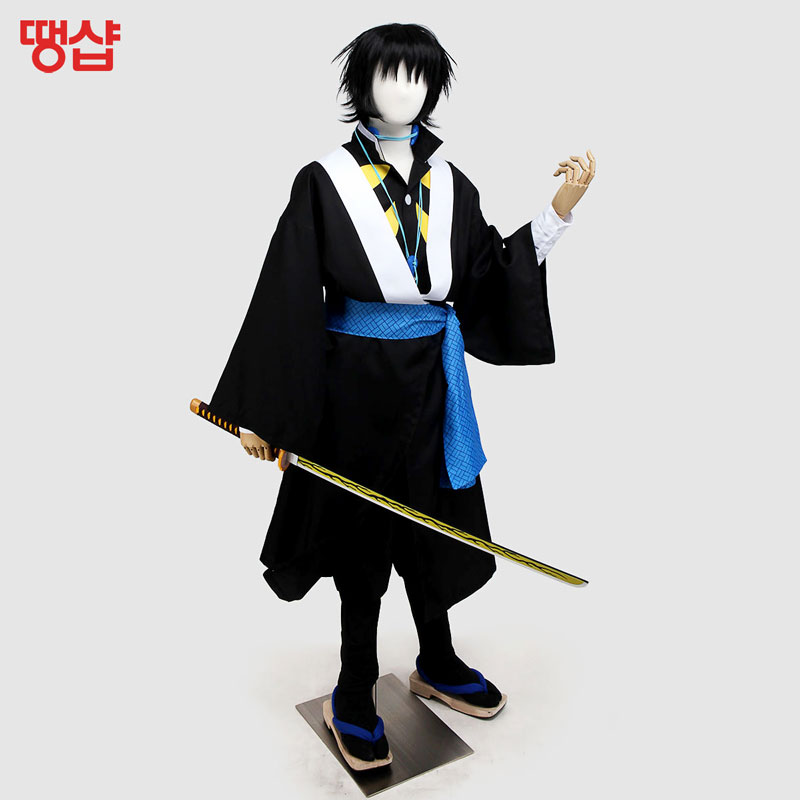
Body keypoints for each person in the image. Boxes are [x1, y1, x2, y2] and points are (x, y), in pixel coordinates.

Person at [205, 22, 594, 771]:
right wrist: (261, 412)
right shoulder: (323, 180)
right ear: (362, 84)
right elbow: (287, 292)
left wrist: (557, 211)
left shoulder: (452, 183)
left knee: (434, 524)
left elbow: (486, 274)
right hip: (353, 386)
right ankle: (353, 690)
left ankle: (436, 660)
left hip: (435, 383)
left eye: (419, 77)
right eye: (389, 74)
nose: (404, 90)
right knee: (362, 539)